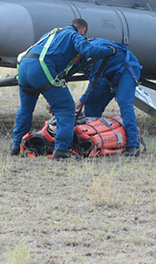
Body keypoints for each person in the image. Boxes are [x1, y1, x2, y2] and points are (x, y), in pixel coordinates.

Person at [11, 18, 115, 160]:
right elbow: (88, 50)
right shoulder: (74, 35)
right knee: (66, 109)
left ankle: (16, 146)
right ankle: (61, 150)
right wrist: (109, 50)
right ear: (83, 30)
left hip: (24, 67)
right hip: (40, 68)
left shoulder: (53, 33)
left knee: (25, 108)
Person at [76, 39, 143, 157]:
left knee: (124, 101)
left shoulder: (94, 53)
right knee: (92, 103)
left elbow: (93, 83)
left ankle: (133, 145)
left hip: (126, 68)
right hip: (108, 73)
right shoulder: (78, 54)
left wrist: (79, 103)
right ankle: (90, 140)